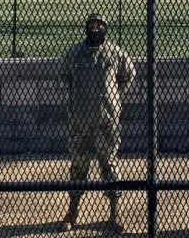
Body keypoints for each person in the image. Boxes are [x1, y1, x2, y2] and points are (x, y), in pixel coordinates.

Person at [58, 13, 136, 233]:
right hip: (80, 120)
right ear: (86, 27)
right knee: (78, 166)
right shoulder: (75, 53)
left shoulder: (114, 53)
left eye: (99, 25)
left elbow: (129, 73)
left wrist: (114, 95)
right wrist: (76, 95)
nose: (95, 28)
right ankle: (72, 211)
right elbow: (63, 76)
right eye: (92, 25)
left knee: (109, 165)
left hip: (107, 121)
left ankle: (115, 212)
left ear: (105, 29)